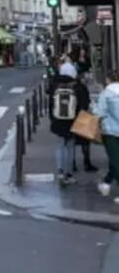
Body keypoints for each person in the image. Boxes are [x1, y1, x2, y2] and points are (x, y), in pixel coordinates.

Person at [49, 58, 89, 186]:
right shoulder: (78, 86)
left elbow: (50, 104)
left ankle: (60, 171)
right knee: (70, 147)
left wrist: (53, 118)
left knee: (59, 145)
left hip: (58, 120)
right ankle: (69, 174)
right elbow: (84, 105)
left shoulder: (55, 85)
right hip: (73, 120)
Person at [94, 72, 119, 199]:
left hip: (110, 131)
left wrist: (93, 106)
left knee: (115, 161)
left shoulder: (106, 94)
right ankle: (106, 183)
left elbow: (98, 113)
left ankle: (107, 184)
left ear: (108, 80)